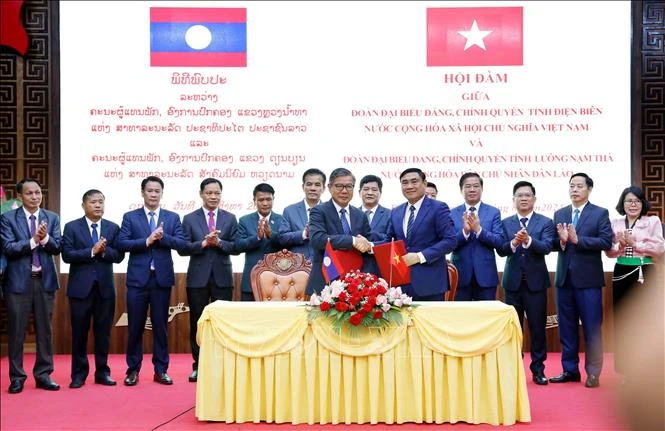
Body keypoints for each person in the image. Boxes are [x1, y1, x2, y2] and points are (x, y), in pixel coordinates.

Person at [116, 176, 187, 386]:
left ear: (162, 194)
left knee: (160, 327)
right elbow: (122, 242)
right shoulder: (130, 217)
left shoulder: (172, 218)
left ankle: (161, 370)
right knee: (135, 327)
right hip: (138, 281)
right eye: (150, 191)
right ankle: (133, 370)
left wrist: (162, 237)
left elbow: (182, 244)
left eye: (157, 191)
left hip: (161, 281)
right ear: (142, 193)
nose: (153, 194)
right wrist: (147, 240)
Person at [550, 172, 612, 388]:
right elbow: (552, 243)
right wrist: (563, 242)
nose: (574, 190)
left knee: (592, 328)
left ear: (589, 189)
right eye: (571, 186)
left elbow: (605, 241)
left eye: (579, 186)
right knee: (566, 327)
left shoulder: (600, 213)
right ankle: (570, 370)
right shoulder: (560, 213)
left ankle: (593, 372)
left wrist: (578, 240)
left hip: (589, 281)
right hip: (564, 280)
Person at [0, 178, 62, 393]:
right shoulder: (7, 218)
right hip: (18, 283)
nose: (35, 196)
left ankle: (44, 374)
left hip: (44, 282)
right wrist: (34, 240)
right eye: (29, 193)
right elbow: (8, 248)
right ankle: (17, 377)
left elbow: (57, 247)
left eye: (37, 192)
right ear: (20, 196)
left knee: (45, 330)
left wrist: (45, 240)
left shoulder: (52, 218)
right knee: (17, 331)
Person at [61, 189, 125, 388]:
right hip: (80, 290)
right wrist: (91, 251)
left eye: (101, 202)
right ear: (83, 206)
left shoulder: (113, 228)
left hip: (105, 289)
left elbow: (120, 255)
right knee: (79, 333)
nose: (98, 205)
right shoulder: (72, 227)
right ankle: (78, 374)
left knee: (103, 333)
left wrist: (104, 252)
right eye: (93, 202)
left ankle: (102, 372)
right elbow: (67, 255)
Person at [178, 178, 238, 382]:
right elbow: (183, 248)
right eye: (209, 193)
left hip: (223, 277)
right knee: (198, 323)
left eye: (217, 193)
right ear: (201, 194)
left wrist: (219, 242)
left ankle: (223, 364)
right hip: (197, 278)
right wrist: (203, 243)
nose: (213, 197)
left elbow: (236, 247)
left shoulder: (230, 218)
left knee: (224, 323)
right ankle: (199, 365)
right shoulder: (189, 218)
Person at [497, 181, 555, 386]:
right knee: (513, 329)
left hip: (536, 284)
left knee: (538, 328)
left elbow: (547, 246)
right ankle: (513, 369)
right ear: (513, 200)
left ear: (534, 199)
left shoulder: (546, 222)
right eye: (519, 195)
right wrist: (513, 242)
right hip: (512, 283)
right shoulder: (505, 223)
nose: (523, 198)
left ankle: (538, 370)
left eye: (527, 195)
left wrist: (528, 240)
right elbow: (501, 249)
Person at [604, 186, 664, 378]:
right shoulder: (615, 222)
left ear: (643, 203)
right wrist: (619, 245)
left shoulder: (652, 221)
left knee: (643, 319)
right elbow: (609, 252)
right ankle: (625, 371)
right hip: (621, 270)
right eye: (629, 200)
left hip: (644, 270)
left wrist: (634, 243)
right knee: (623, 320)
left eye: (637, 201)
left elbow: (658, 249)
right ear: (623, 203)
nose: (633, 204)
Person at [385, 168, 456, 301]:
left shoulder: (438, 208)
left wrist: (419, 256)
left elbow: (450, 241)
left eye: (414, 181)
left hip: (430, 284)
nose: (409, 186)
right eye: (405, 183)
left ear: (424, 183)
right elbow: (389, 241)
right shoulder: (396, 211)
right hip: (400, 285)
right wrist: (369, 245)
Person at [307, 168, 374, 295]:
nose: (344, 191)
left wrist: (369, 245)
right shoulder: (318, 211)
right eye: (339, 186)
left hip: (355, 284)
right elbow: (318, 239)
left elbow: (368, 242)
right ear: (329, 187)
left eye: (349, 186)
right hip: (325, 281)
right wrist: (353, 240)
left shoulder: (360, 215)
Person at [450, 172, 503, 300]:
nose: (472, 189)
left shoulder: (493, 212)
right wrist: (465, 232)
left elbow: (499, 241)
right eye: (468, 186)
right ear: (461, 190)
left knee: (486, 316)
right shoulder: (452, 213)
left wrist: (479, 230)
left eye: (476, 186)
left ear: (482, 188)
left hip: (486, 275)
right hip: (461, 274)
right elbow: (449, 244)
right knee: (461, 317)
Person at [236, 183, 284, 301]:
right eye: (261, 200)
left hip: (278, 279)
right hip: (251, 280)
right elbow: (238, 246)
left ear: (274, 199)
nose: (265, 203)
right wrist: (257, 237)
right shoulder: (244, 220)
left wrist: (271, 235)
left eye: (268, 199)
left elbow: (287, 243)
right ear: (254, 200)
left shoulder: (282, 219)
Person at [279, 168, 326, 260]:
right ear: (303, 187)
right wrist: (304, 234)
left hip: (324, 265)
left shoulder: (330, 211)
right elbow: (282, 238)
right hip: (297, 267)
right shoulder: (290, 211)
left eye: (317, 185)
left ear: (323, 188)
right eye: (309, 184)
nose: (313, 188)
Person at [358, 174, 391, 276]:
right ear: (359, 192)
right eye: (366, 189)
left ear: (380, 193)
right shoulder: (351, 214)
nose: (370, 193)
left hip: (381, 270)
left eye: (374, 190)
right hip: (355, 270)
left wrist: (370, 245)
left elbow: (391, 240)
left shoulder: (391, 214)